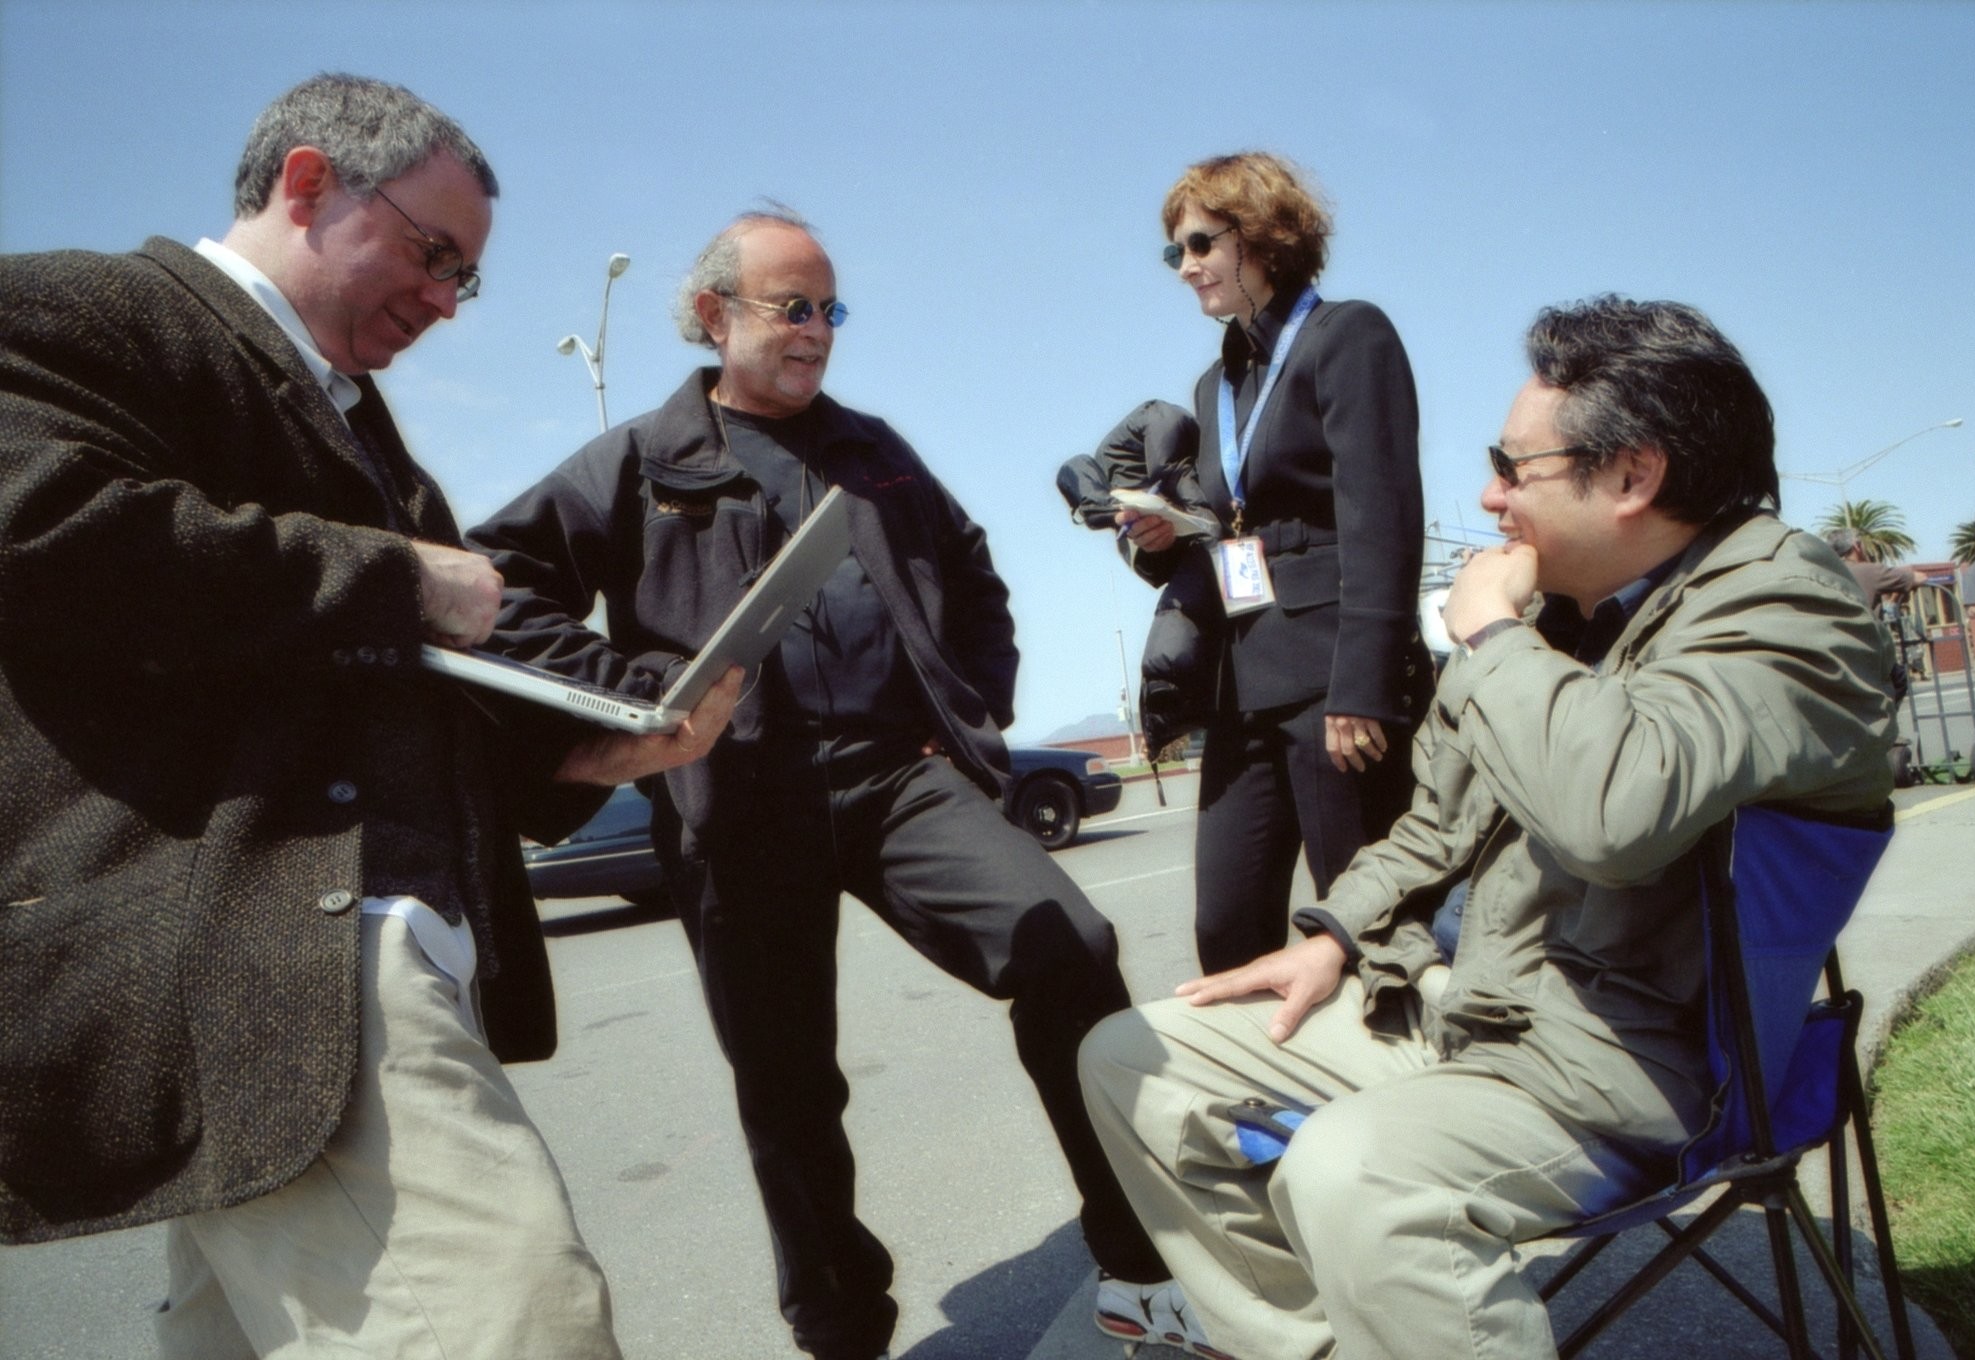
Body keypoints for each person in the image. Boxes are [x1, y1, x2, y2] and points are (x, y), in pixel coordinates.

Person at [0, 75, 743, 1358]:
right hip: (260, 962)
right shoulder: (78, 311)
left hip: (325, 980)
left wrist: (588, 751)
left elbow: (412, 687)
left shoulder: (373, 439)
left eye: (466, 278)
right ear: (307, 184)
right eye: (431, 252)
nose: (447, 301)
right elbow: (45, 535)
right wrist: (395, 574)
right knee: (521, 1326)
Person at [1079, 296, 1898, 1360]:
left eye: (1513, 468)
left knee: (1351, 1168)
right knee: (1130, 1057)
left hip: (1624, 1068)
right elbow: (1430, 830)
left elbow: (1615, 813)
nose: (1487, 496)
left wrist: (1494, 633)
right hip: (1459, 1013)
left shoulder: (1783, 606)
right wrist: (1329, 937)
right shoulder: (1558, 612)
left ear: (1631, 475)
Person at [464, 209, 1164, 1360]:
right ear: (711, 315)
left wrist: (967, 712)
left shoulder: (873, 449)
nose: (818, 331)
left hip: (898, 779)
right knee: (788, 1091)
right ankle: (840, 1329)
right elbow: (498, 578)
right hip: (736, 802)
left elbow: (974, 571)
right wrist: (635, 689)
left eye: (830, 309)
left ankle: (1138, 1259)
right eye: (793, 307)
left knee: (1068, 948)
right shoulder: (640, 459)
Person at [1115, 151, 1432, 979]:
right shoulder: (1214, 385)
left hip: (1334, 680)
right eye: (1174, 253)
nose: (1185, 269)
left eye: (1199, 245)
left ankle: (1397, 1101)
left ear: (1262, 237)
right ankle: (1268, 1101)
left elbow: (1383, 516)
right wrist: (1169, 536)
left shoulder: (1348, 335)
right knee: (1225, 927)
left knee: (1365, 922)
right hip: (1243, 679)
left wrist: (1362, 683)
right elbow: (1235, 525)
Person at [1821, 526, 1925, 607]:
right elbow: (1921, 578)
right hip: (1865, 633)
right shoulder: (1870, 571)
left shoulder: (1824, 571)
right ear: (1856, 546)